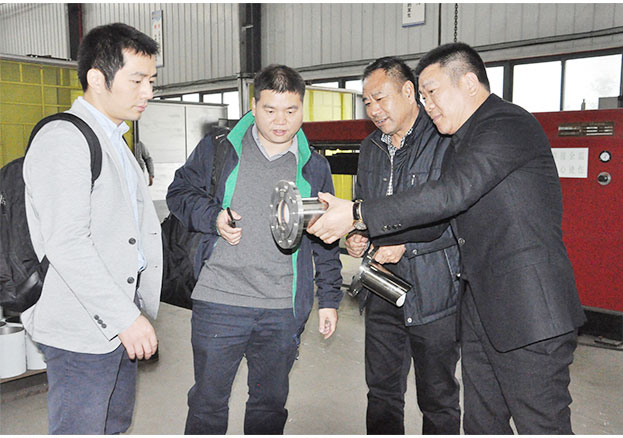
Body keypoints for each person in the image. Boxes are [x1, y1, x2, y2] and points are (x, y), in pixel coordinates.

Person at [307, 42, 586, 434]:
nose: (428, 104)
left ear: (469, 83)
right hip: (480, 309)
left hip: (528, 311)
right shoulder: (461, 141)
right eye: (423, 96)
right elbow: (438, 219)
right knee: (482, 423)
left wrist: (358, 213)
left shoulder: (506, 125)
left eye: (432, 92)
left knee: (540, 424)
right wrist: (365, 230)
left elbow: (449, 194)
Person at [166, 64, 343, 435]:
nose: (280, 121)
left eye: (291, 110)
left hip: (281, 309)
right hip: (220, 302)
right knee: (208, 404)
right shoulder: (220, 149)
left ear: (302, 107)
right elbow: (179, 193)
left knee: (268, 407)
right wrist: (214, 217)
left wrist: (329, 298)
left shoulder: (314, 167)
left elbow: (326, 235)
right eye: (270, 110)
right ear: (253, 105)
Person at [22, 23, 161, 434]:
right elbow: (67, 243)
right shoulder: (64, 138)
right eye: (137, 80)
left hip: (116, 314)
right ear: (98, 78)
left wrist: (132, 311)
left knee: (113, 424)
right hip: (82, 325)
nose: (148, 92)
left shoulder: (115, 138)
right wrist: (125, 317)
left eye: (151, 81)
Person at [348, 56, 460, 434]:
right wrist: (358, 235)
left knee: (438, 399)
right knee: (382, 393)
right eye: (367, 102)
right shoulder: (370, 149)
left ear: (409, 91)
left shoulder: (444, 141)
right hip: (382, 289)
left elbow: (455, 218)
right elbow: (365, 206)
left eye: (381, 98)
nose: (374, 110)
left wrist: (404, 245)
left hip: (434, 292)